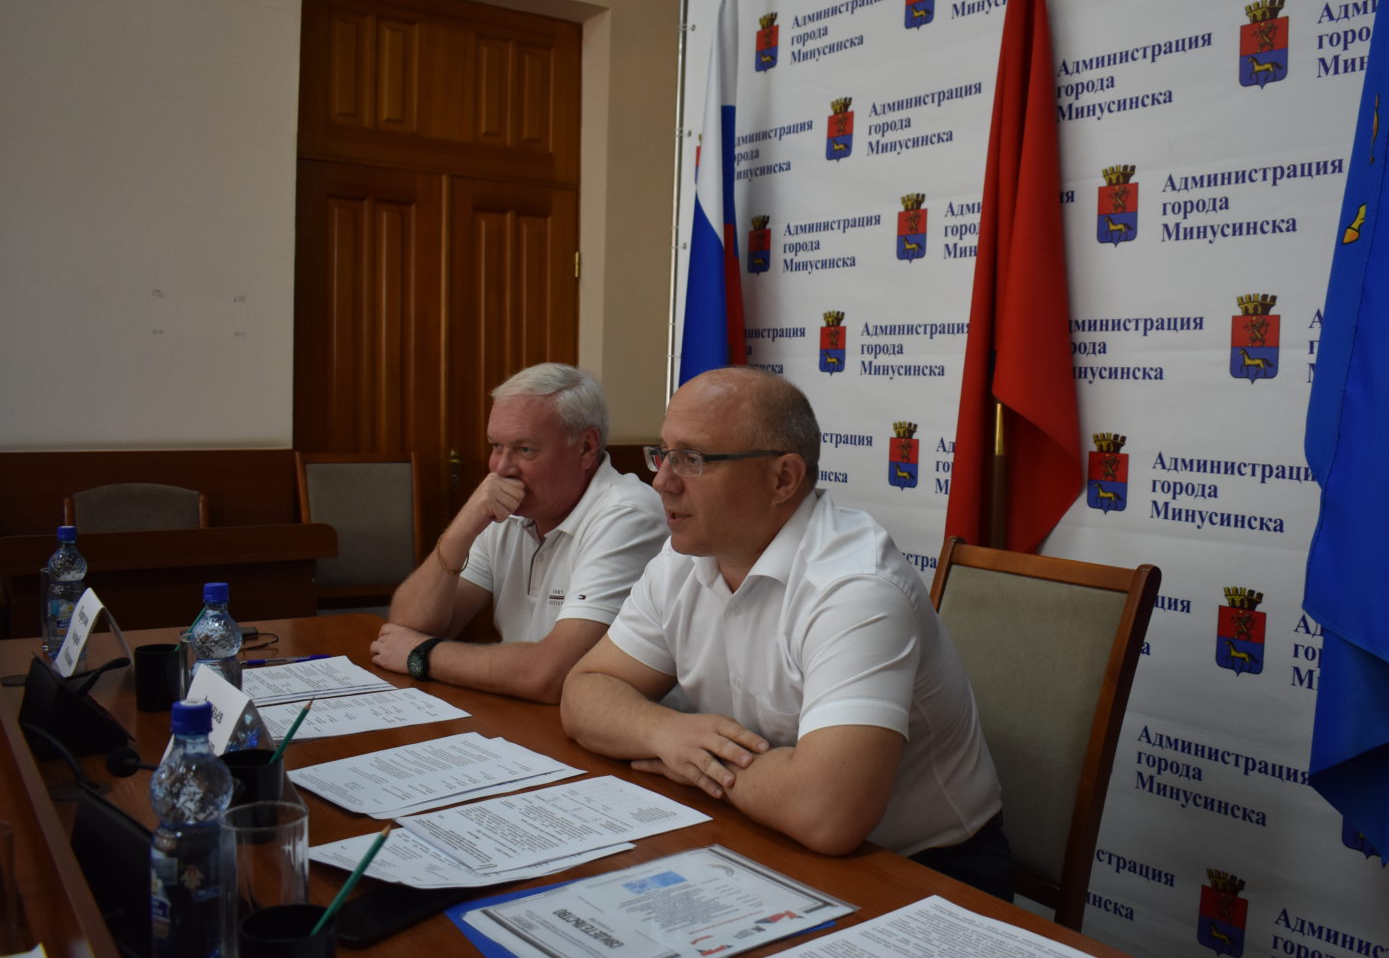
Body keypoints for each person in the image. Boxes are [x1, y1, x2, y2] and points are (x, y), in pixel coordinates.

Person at [561, 368, 1010, 898]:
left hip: (925, 872)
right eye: (664, 454)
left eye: (693, 459)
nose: (662, 481)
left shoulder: (855, 586)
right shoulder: (685, 555)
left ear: (783, 479)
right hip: (765, 832)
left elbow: (828, 812)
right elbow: (584, 692)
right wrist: (666, 734)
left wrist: (699, 763)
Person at [371, 363, 667, 703]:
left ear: (585, 447)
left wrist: (423, 655)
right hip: (524, 713)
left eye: (525, 449)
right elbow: (407, 628)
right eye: (496, 446)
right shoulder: (509, 509)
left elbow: (553, 674)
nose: (500, 468)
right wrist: (462, 529)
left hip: (609, 724)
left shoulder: (628, 514)